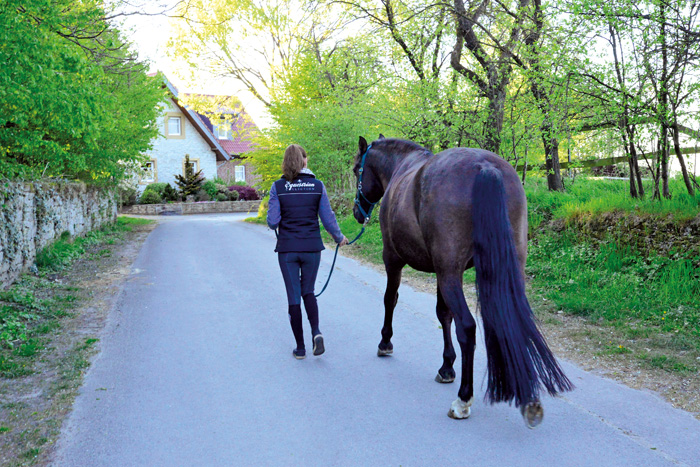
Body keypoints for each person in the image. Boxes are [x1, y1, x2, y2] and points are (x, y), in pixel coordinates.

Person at [267, 144, 348, 360]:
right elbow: (328, 218)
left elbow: (272, 222)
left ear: (285, 162)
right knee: (308, 292)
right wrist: (339, 238)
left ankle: (301, 348)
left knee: (294, 297)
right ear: (303, 161)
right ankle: (316, 332)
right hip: (312, 248)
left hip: (287, 250)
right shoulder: (317, 186)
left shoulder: (278, 187)